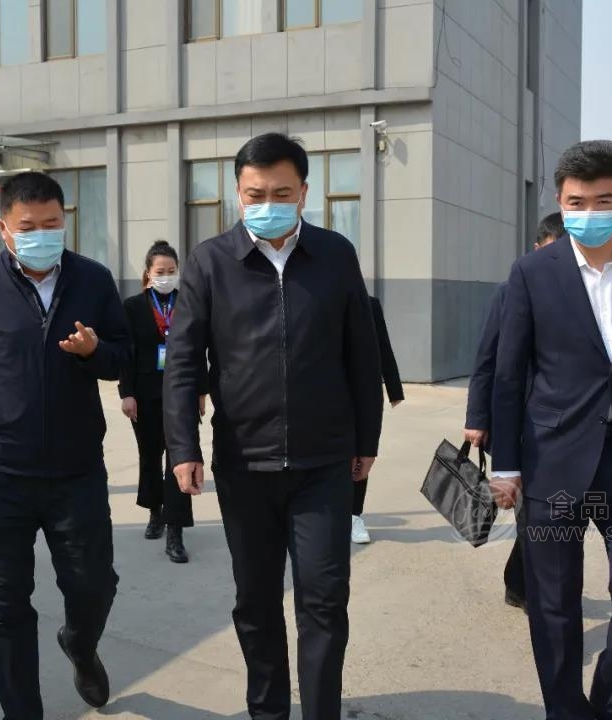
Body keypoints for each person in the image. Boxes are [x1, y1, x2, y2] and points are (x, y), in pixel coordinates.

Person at [164, 133, 383, 720]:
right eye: (255, 193)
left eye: (281, 193)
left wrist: (367, 440)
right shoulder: (211, 261)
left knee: (324, 601)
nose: (268, 204)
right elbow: (182, 363)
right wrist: (183, 446)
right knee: (256, 603)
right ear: (238, 194)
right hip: (245, 464)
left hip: (323, 463)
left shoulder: (335, 255)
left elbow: (361, 354)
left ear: (304, 192)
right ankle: (268, 711)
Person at [491, 140, 612, 720]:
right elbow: (508, 375)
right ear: (561, 200)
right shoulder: (532, 273)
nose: (588, 213)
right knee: (553, 606)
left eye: (602, 201)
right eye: (575, 203)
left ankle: (611, 703)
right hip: (551, 459)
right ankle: (565, 711)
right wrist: (505, 465)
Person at [0, 172, 129, 719]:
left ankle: (80, 644)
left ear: (65, 222)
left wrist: (94, 352)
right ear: (4, 229)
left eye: (51, 224)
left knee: (94, 586)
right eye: (28, 226)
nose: (41, 235)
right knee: (5, 607)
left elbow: (124, 357)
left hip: (76, 471)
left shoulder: (93, 280)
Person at [463, 211, 563, 609]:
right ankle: (528, 587)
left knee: (544, 515)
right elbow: (486, 360)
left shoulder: (584, 298)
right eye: (550, 254)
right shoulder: (508, 293)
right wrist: (476, 418)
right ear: (536, 250)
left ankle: (521, 581)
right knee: (531, 513)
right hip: (518, 425)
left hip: (564, 427)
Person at [119, 240, 204, 564]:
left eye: (171, 270)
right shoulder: (133, 306)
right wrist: (127, 393)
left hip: (181, 392)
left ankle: (175, 531)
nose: (166, 276)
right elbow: (126, 353)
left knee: (180, 458)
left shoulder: (188, 303)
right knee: (150, 455)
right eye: (160, 271)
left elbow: (198, 350)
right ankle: (155, 511)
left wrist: (200, 392)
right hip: (145, 392)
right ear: (148, 273)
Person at [350, 296, 404, 544]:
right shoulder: (316, 302)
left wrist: (394, 388)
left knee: (361, 453)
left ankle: (353, 515)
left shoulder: (368, 304)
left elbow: (383, 345)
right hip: (324, 395)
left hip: (361, 394)